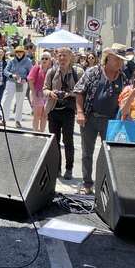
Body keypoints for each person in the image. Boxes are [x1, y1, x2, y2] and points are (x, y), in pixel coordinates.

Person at [73, 45, 129, 195]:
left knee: (108, 154)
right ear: (108, 57)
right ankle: (87, 183)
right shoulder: (93, 72)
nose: (119, 63)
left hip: (111, 122)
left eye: (121, 60)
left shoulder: (123, 78)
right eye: (116, 59)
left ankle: (105, 184)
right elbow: (79, 92)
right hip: (90, 117)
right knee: (87, 153)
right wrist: (79, 112)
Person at [43, 48, 82, 180]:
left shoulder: (78, 72)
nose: (62, 58)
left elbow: (81, 91)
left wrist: (69, 94)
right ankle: (57, 168)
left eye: (65, 55)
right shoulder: (51, 71)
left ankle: (69, 169)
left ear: (71, 57)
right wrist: (50, 93)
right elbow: (44, 88)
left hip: (68, 111)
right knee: (54, 142)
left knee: (68, 141)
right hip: (53, 110)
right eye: (60, 56)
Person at [1, 45, 33, 128]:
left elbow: (31, 73)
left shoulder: (28, 61)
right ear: (15, 53)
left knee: (19, 101)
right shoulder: (11, 61)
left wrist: (25, 79)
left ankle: (18, 120)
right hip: (11, 82)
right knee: (6, 100)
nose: (19, 53)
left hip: (21, 83)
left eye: (21, 52)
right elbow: (5, 71)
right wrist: (11, 75)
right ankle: (4, 120)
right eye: (17, 52)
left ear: (23, 53)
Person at [28, 50, 53, 131]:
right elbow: (30, 81)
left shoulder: (52, 70)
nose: (44, 60)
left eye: (46, 58)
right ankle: (35, 131)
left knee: (45, 115)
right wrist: (33, 94)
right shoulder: (36, 68)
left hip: (48, 95)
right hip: (37, 94)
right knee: (37, 115)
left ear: (50, 60)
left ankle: (42, 132)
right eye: (43, 58)